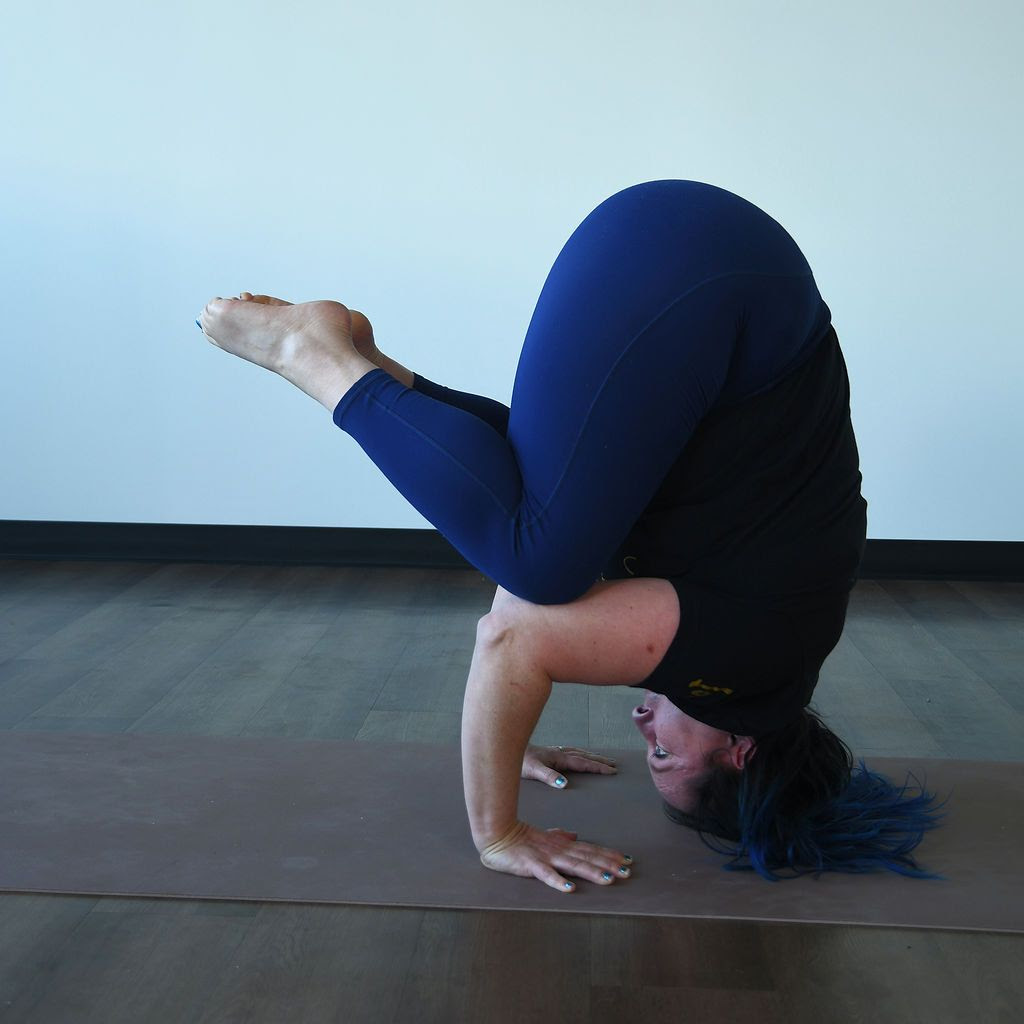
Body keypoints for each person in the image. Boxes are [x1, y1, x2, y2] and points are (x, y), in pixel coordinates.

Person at [196, 179, 944, 893]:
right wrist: (501, 833)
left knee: (551, 527)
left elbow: (548, 493)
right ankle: (312, 356)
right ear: (740, 749)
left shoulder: (786, 640)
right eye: (663, 751)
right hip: (699, 281)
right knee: (542, 564)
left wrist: (508, 735)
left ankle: (370, 366)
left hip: (692, 248)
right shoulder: (747, 660)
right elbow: (514, 634)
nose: (641, 720)